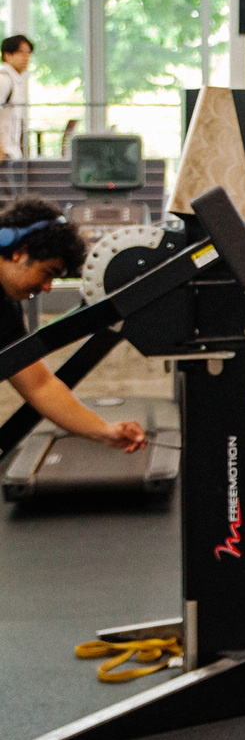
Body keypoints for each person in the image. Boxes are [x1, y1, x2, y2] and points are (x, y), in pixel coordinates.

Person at [0, 196, 145, 452]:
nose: (47, 287)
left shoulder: (5, 310)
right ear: (19, 252)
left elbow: (39, 386)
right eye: (48, 273)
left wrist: (104, 430)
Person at [0, 36, 30, 160]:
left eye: (28, 52)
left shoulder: (15, 80)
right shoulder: (4, 79)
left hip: (11, 153)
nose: (26, 57)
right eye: (20, 52)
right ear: (7, 55)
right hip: (4, 153)